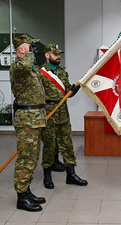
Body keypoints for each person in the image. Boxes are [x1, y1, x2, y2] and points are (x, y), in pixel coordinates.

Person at [39, 44, 87, 189]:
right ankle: (47, 176)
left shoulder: (62, 72)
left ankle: (71, 175)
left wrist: (74, 90)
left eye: (59, 54)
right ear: (47, 55)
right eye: (55, 54)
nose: (58, 56)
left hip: (63, 114)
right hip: (49, 113)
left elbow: (67, 92)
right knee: (49, 146)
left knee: (67, 145)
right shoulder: (40, 73)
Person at [10, 34, 47, 211]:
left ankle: (27, 190)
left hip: (35, 118)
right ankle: (21, 198)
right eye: (30, 46)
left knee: (33, 158)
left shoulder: (30, 68)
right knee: (25, 158)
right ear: (21, 49)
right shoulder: (18, 65)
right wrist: (30, 54)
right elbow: (25, 63)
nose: (33, 49)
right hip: (26, 119)